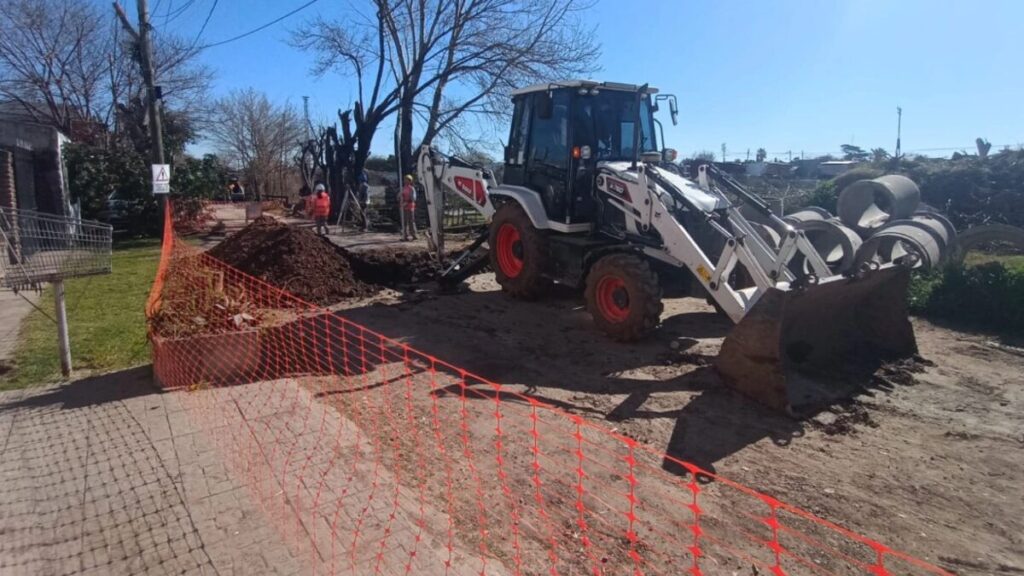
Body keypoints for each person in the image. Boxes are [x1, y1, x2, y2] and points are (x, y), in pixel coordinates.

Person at [400, 174, 417, 241]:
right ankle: (405, 235)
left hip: (410, 207)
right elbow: (400, 195)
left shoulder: (411, 188)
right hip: (403, 207)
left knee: (411, 221)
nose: (405, 181)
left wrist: (407, 202)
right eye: (405, 179)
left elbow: (413, 198)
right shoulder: (403, 188)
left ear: (410, 181)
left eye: (407, 180)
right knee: (404, 222)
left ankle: (414, 235)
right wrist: (399, 197)